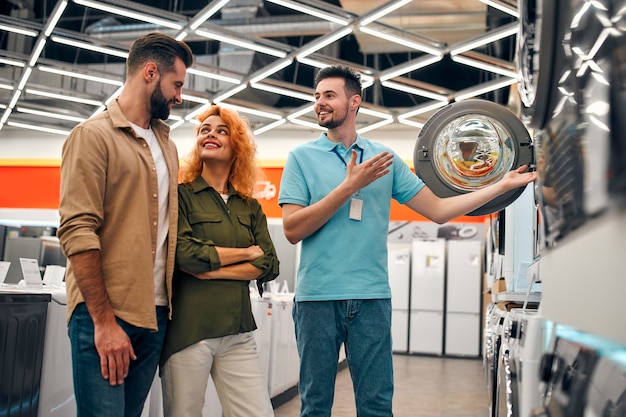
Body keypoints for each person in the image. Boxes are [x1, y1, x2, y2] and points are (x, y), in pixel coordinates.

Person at [278, 65, 538, 417]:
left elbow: (439, 210)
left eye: (328, 95)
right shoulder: (300, 159)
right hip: (317, 300)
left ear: (354, 102)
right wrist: (348, 187)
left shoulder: (384, 159)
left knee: (376, 405)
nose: (319, 103)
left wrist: (500, 186)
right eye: (316, 96)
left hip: (371, 299)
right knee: (315, 403)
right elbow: (293, 229)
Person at [57, 32, 193, 417]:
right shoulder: (92, 136)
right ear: (151, 72)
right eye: (176, 84)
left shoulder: (166, 144)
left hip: (154, 316)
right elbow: (77, 230)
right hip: (105, 313)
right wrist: (103, 322)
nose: (179, 97)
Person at [159, 105, 279, 417]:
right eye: (204, 130)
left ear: (236, 145)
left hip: (237, 332)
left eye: (221, 130)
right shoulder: (181, 195)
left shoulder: (249, 206)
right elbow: (186, 254)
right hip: (189, 331)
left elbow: (269, 263)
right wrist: (244, 253)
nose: (210, 133)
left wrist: (212, 273)